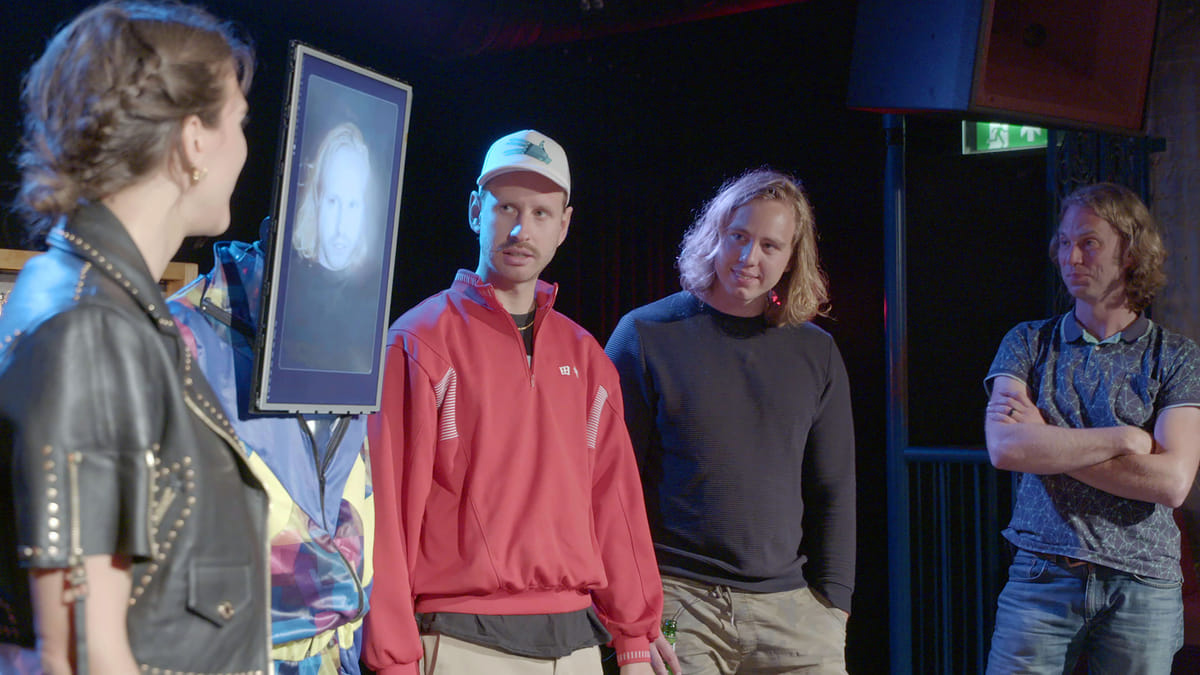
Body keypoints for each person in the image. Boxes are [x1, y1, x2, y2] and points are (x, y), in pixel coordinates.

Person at [0, 2, 270, 674]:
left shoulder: (105, 307)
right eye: (238, 121)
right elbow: (81, 653)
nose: (244, 147)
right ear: (194, 139)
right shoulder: (93, 328)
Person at [363, 129, 679, 675]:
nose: (520, 229)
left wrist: (634, 635)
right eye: (506, 207)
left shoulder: (586, 357)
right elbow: (385, 512)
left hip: (577, 644)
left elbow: (615, 504)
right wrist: (393, 658)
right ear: (475, 211)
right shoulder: (419, 342)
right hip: (461, 641)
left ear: (564, 226)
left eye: (539, 213)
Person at [605, 168, 857, 675]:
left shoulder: (817, 352)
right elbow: (608, 485)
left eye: (769, 245)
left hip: (793, 610)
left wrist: (834, 606)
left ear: (792, 257)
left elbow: (833, 487)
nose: (748, 258)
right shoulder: (645, 334)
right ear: (714, 235)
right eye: (738, 237)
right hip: (677, 600)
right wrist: (631, 613)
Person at [984, 182, 1200, 674]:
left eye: (1089, 243)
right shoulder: (1028, 342)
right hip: (1042, 572)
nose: (1071, 257)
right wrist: (1125, 439)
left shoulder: (1176, 356)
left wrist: (1048, 443)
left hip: (1143, 584)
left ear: (1130, 253)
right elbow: (1006, 448)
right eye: (1065, 242)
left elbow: (1172, 482)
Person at [169, 237, 374, 674]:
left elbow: (361, 507)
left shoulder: (349, 343)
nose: (341, 231)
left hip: (332, 656)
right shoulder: (181, 339)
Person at [280, 121, 380, 373]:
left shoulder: (375, 299)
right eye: (333, 201)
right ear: (317, 200)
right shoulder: (285, 286)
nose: (340, 225)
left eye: (353, 204)